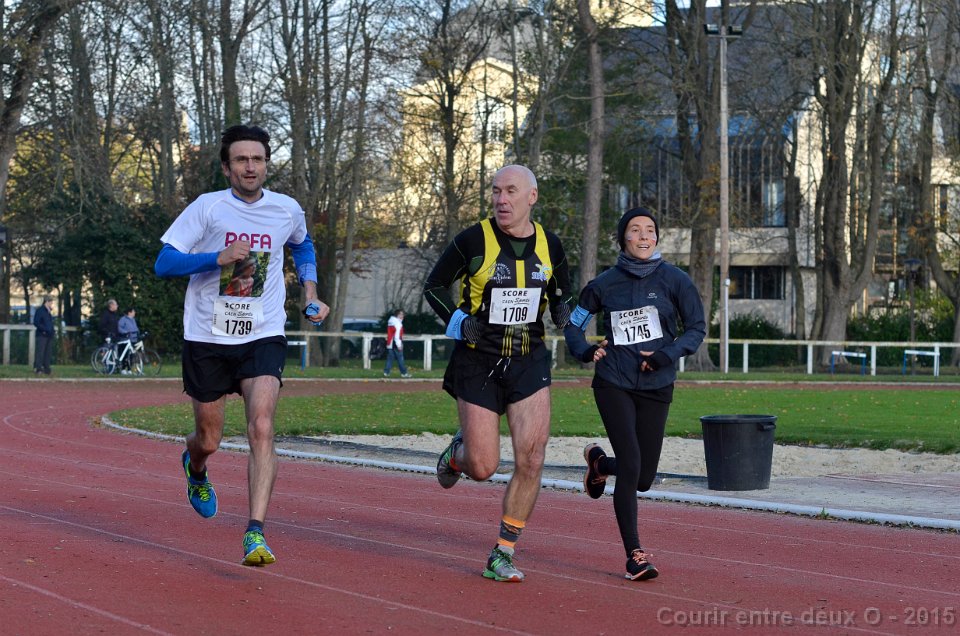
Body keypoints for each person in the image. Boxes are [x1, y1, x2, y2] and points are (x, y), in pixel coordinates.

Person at [154, 124, 329, 567]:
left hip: (262, 333)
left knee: (262, 427)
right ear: (226, 167)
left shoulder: (286, 209)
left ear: (266, 164)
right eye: (241, 160)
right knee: (209, 439)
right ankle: (195, 467)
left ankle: (255, 532)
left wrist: (310, 291)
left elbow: (303, 245)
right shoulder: (207, 207)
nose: (250, 167)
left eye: (257, 159)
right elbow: (164, 262)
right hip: (208, 338)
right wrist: (216, 258)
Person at [423, 164, 573, 582]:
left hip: (529, 361)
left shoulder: (551, 244)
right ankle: (458, 455)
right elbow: (434, 286)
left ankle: (503, 551)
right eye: (495, 191)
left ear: (532, 197)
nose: (501, 200)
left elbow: (562, 293)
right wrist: (459, 321)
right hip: (478, 362)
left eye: (510, 191)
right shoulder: (473, 240)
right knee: (483, 467)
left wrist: (566, 312)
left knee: (533, 457)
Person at [563, 207, 706, 582]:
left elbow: (696, 328)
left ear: (657, 238)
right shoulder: (603, 284)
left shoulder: (676, 280)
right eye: (635, 230)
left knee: (643, 477)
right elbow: (573, 325)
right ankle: (635, 555)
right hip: (613, 381)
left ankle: (599, 465)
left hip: (657, 384)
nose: (644, 236)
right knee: (631, 463)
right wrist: (584, 350)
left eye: (650, 230)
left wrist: (666, 355)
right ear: (622, 238)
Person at [382, 309, 411, 378]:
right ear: (397, 315)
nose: (402, 316)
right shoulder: (398, 324)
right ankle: (404, 373)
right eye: (400, 314)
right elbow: (397, 336)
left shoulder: (391, 321)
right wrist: (399, 345)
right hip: (395, 343)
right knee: (400, 359)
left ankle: (386, 372)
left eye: (403, 314)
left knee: (390, 359)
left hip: (390, 343)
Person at [32, 296, 55, 375]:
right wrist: (44, 330)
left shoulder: (48, 312)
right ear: (46, 302)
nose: (51, 304)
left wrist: (52, 331)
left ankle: (46, 368)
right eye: (50, 302)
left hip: (49, 335)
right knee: (40, 352)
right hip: (42, 335)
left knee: (48, 352)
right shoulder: (40, 311)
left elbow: (50, 323)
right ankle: (38, 368)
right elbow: (36, 322)